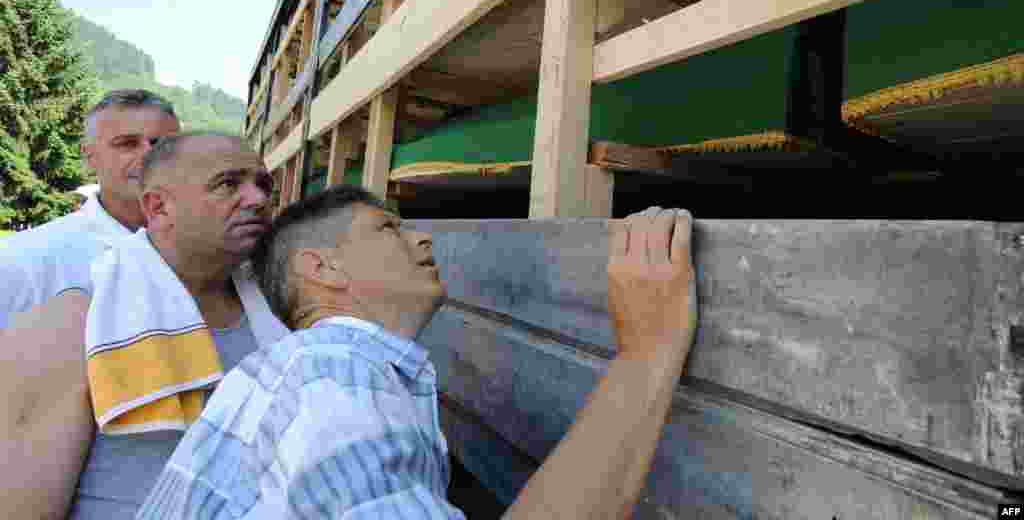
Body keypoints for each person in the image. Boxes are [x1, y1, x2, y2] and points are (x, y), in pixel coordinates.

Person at [136, 184, 698, 519]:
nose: (422, 239)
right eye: (389, 230)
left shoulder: (301, 371)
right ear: (322, 268)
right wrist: (646, 352)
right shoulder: (334, 378)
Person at [0, 132, 289, 519]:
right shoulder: (72, 326)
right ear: (158, 207)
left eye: (263, 185)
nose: (258, 200)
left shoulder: (280, 314)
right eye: (228, 184)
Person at [0, 88, 180, 330]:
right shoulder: (23, 260)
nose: (149, 154)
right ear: (89, 156)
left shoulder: (216, 250)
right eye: (127, 143)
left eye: (161, 144)